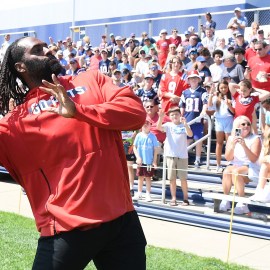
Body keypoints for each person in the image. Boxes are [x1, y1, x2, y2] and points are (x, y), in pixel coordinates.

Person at [0, 37, 147, 269]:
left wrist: (78, 110)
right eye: (37, 50)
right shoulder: (15, 122)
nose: (49, 50)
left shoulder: (92, 79)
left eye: (46, 46)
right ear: (21, 67)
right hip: (66, 230)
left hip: (122, 222)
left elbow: (135, 114)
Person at [220, 116, 261, 215]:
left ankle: (242, 202)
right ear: (237, 126)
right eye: (243, 124)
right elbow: (228, 158)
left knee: (236, 172)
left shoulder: (255, 138)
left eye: (248, 124)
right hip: (235, 164)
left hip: (250, 166)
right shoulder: (231, 138)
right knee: (226, 171)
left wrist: (244, 145)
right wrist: (233, 146)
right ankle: (226, 199)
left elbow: (254, 159)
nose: (246, 126)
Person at [157, 107, 193, 206]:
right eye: (172, 115)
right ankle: (173, 198)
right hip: (170, 155)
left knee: (183, 179)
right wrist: (160, 117)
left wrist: (185, 124)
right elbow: (159, 128)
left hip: (182, 156)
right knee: (172, 178)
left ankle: (186, 198)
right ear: (169, 117)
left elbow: (190, 134)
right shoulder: (168, 125)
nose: (174, 116)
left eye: (176, 114)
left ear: (180, 115)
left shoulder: (184, 125)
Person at [179, 70, 208, 168]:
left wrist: (203, 111)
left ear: (198, 79)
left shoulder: (202, 91)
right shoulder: (185, 92)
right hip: (187, 120)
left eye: (195, 78)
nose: (194, 80)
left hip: (197, 119)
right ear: (189, 80)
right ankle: (183, 158)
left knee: (198, 139)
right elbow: (182, 105)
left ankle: (198, 159)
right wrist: (181, 115)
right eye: (192, 78)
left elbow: (205, 103)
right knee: (187, 140)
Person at [208, 80, 234, 172]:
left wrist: (229, 105)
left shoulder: (232, 97)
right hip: (219, 120)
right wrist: (211, 94)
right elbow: (209, 106)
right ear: (219, 88)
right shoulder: (216, 98)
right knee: (219, 143)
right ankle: (218, 164)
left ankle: (230, 162)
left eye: (225, 87)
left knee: (229, 142)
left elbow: (234, 111)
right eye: (221, 88)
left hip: (229, 120)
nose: (223, 89)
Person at [133, 120, 159, 202]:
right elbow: (134, 147)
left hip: (149, 161)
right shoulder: (139, 136)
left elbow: (155, 150)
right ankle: (139, 193)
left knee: (148, 178)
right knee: (140, 177)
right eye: (143, 124)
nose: (145, 125)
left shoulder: (153, 136)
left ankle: (148, 194)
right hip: (141, 161)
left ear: (150, 125)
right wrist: (138, 157)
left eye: (147, 124)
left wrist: (154, 161)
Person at [249, 129, 270, 202]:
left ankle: (260, 192)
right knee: (265, 165)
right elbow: (260, 161)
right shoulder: (266, 146)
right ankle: (259, 191)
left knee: (266, 165)